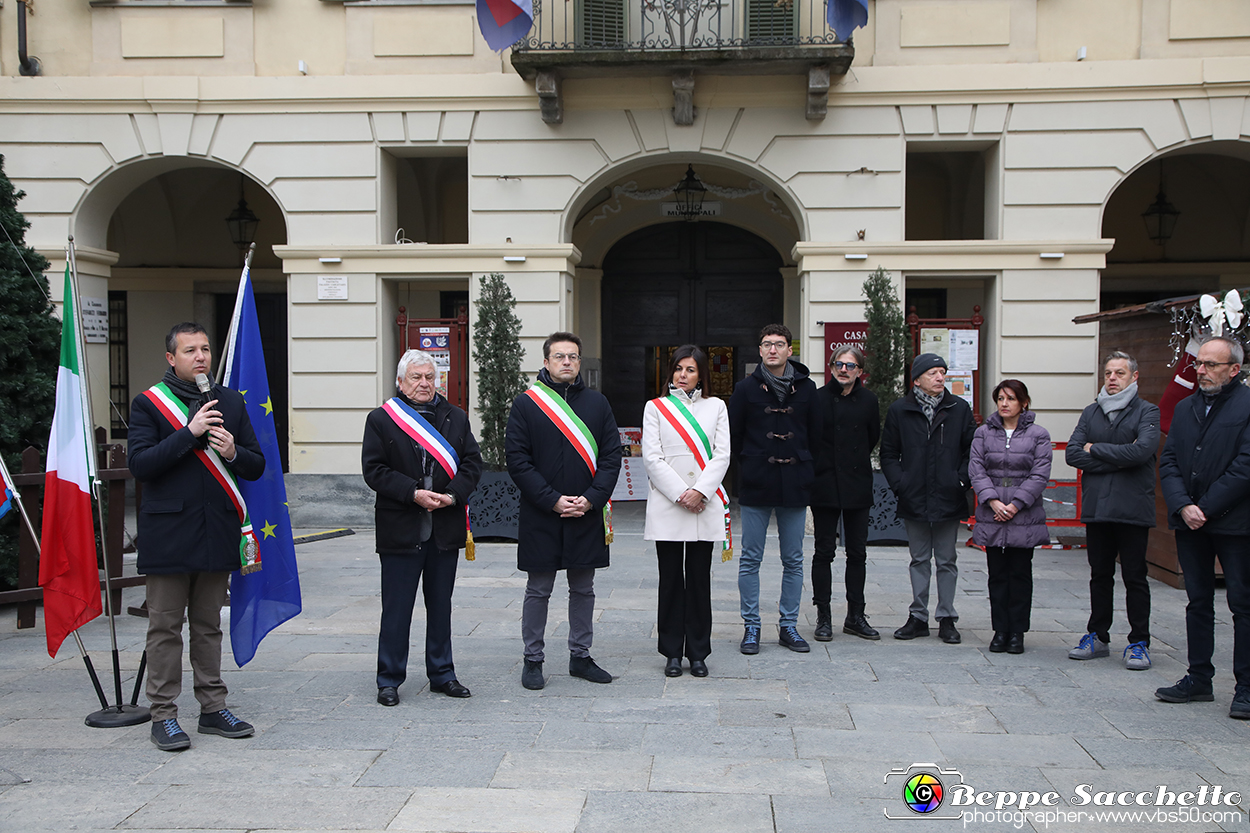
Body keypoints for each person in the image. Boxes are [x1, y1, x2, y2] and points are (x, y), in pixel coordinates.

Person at [129, 322, 265, 751]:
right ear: (172, 358)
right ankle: (163, 715)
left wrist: (231, 452)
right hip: (169, 533)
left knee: (208, 626)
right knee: (165, 627)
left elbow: (256, 464)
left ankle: (212, 707)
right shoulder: (148, 404)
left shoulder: (228, 401)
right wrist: (188, 434)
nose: (201, 357)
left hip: (215, 531)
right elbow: (142, 464)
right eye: (190, 351)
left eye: (205, 349)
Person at [362, 349, 483, 707]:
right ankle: (389, 679)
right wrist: (412, 493)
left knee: (441, 606)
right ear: (401, 382)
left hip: (444, 528)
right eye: (416, 377)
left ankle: (442, 673)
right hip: (401, 528)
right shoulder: (382, 419)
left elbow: (472, 464)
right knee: (397, 608)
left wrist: (452, 496)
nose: (424, 384)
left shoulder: (455, 417)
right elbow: (374, 470)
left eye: (429, 377)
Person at [506, 332, 622, 690]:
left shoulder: (598, 404)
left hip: (585, 511)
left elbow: (611, 456)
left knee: (583, 588)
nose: (567, 362)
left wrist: (591, 498)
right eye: (559, 357)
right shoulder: (526, 404)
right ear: (546, 362)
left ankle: (581, 657)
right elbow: (518, 460)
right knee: (539, 588)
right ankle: (533, 659)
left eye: (573, 356)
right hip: (542, 512)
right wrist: (551, 499)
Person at [1157, 335, 1250, 718]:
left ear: (1234, 369)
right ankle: (1199, 678)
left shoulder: (1246, 405)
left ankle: (1245, 687)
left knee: (1242, 605)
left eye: (1211, 365)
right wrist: (1183, 505)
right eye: (1200, 364)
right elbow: (1170, 461)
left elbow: (1245, 466)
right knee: (1198, 602)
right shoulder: (1186, 408)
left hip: (1235, 524)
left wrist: (1205, 508)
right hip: (1190, 523)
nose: (1202, 370)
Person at [728, 324, 821, 655]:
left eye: (779, 345)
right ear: (760, 350)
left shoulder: (808, 388)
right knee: (750, 557)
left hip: (796, 481)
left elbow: (816, 434)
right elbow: (733, 435)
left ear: (789, 350)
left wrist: (807, 467)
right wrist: (749, 464)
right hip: (757, 480)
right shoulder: (744, 389)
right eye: (766, 344)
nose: (772, 350)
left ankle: (788, 625)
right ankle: (751, 625)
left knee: (793, 558)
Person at [1064, 351, 1159, 671]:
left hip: (1133, 508)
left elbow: (1142, 451)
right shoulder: (1091, 412)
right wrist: (1119, 456)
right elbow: (1074, 454)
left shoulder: (1148, 411)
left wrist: (1098, 449)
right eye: (1108, 373)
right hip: (1098, 507)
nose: (1112, 378)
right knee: (1099, 576)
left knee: (1135, 577)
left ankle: (1139, 642)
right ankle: (1097, 635)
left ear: (1134, 377)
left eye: (1119, 373)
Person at [641, 345, 731, 677]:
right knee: (670, 580)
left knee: (698, 579)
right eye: (679, 368)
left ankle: (697, 652)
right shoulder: (656, 408)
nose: (683, 375)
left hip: (703, 505)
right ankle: (671, 652)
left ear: (701, 374)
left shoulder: (717, 407)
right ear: (670, 372)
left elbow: (722, 454)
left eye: (691, 369)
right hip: (670, 503)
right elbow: (652, 457)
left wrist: (700, 491)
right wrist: (682, 493)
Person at [881, 353, 976, 644]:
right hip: (914, 495)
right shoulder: (901, 410)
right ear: (917, 379)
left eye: (942, 372)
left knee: (947, 559)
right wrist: (901, 484)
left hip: (948, 495)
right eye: (933, 373)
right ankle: (918, 616)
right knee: (919, 558)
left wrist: (960, 480)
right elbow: (888, 453)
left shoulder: (959, 408)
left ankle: (946, 617)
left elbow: (971, 451)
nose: (940, 378)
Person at [968, 380, 1052, 654]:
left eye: (1011, 398)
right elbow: (977, 469)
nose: (1004, 403)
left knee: (1020, 574)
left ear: (1023, 403)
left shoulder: (1039, 434)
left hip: (1023, 516)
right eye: (1001, 398)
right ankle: (999, 630)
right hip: (992, 513)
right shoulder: (983, 433)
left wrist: (1015, 504)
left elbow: (1039, 474)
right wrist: (992, 500)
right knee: (996, 575)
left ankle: (1017, 632)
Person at [810, 344, 880, 641]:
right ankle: (823, 615)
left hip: (857, 483)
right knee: (824, 552)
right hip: (825, 482)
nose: (843, 370)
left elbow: (872, 437)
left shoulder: (869, 401)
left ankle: (855, 615)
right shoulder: (817, 399)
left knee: (857, 552)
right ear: (831, 366)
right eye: (839, 364)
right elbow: (811, 438)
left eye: (850, 366)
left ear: (859, 371)